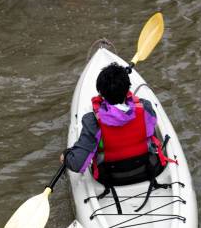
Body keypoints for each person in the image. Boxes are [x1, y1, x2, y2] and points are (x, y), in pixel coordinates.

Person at [61, 62, 167, 190]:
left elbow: (77, 164)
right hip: (148, 170)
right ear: (128, 89)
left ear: (101, 93)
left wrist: (66, 156)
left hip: (112, 178)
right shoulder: (146, 108)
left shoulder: (92, 121)